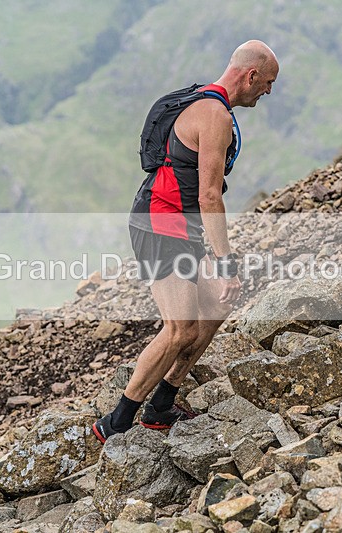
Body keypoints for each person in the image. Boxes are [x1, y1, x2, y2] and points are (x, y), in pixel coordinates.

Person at [92, 40, 279, 443]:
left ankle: (162, 403)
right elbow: (209, 195)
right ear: (250, 76)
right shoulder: (214, 115)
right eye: (267, 83)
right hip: (159, 224)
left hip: (181, 225)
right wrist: (225, 262)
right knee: (179, 328)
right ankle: (115, 424)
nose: (268, 91)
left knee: (216, 303)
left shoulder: (206, 101)